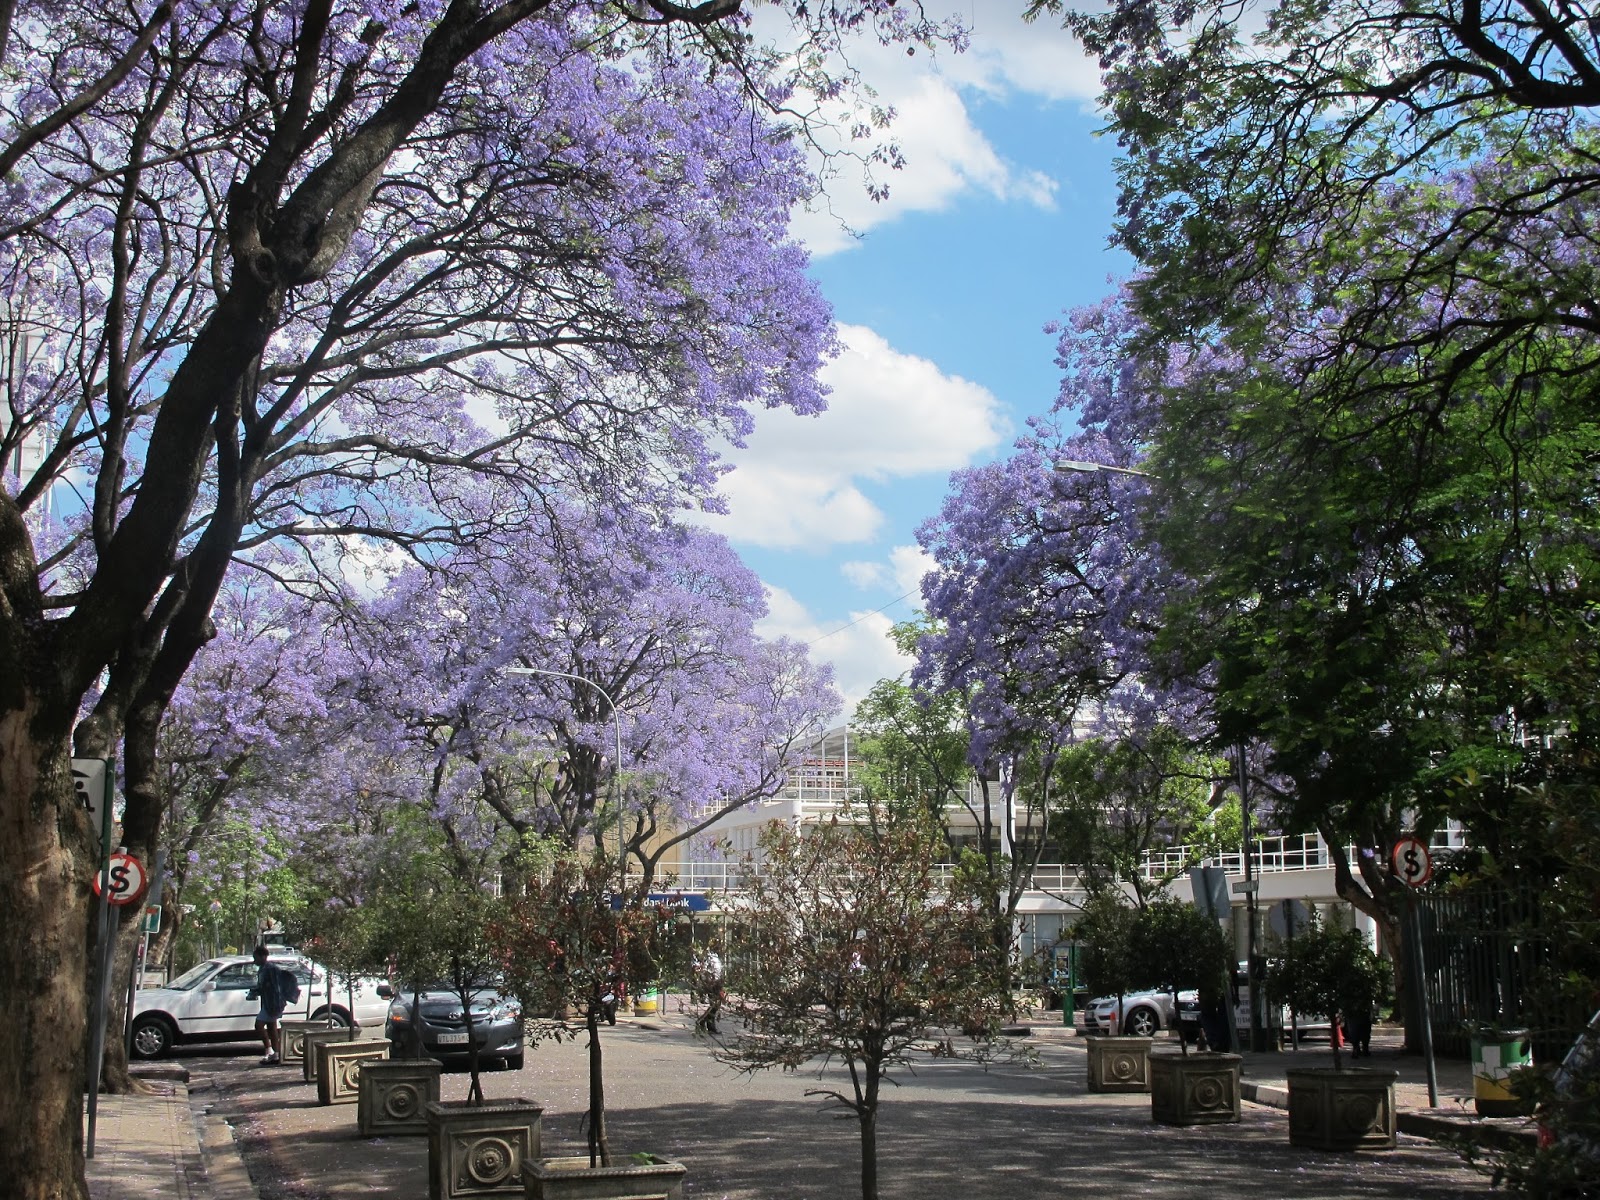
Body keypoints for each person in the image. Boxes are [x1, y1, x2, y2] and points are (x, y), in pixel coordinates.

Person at [246, 945, 292, 1065]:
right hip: (267, 1002)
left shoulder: (270, 969)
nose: (254, 961)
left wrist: (275, 1004)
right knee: (272, 1027)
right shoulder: (263, 969)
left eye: (255, 958)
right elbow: (263, 986)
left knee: (259, 1025)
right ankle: (276, 1054)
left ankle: (269, 1049)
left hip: (272, 1003)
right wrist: (255, 991)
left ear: (263, 956)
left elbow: (275, 988)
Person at [694, 948, 723, 1035]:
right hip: (712, 983)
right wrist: (707, 981)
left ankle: (707, 1024)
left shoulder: (714, 956)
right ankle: (703, 1022)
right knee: (715, 1005)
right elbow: (703, 970)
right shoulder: (709, 956)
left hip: (716, 982)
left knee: (715, 1005)